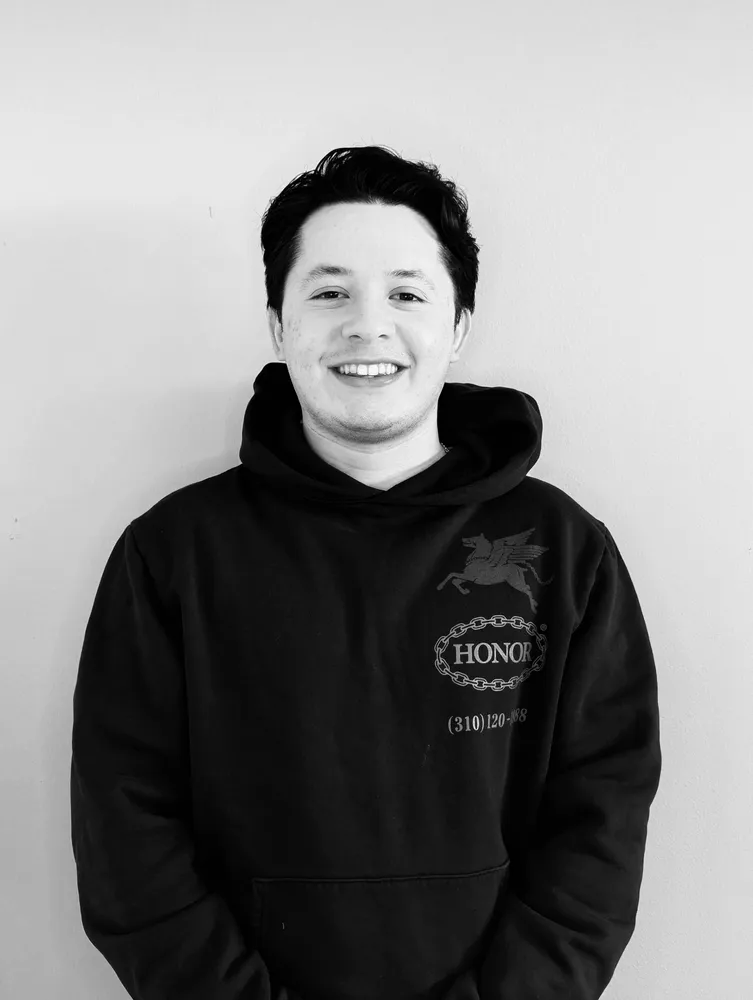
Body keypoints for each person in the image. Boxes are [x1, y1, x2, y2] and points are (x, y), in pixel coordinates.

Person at [70, 145, 661, 1000]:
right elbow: (124, 828)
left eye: (407, 294)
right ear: (279, 324)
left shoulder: (561, 549)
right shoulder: (171, 554)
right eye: (329, 293)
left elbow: (600, 822)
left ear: (457, 326)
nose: (367, 325)